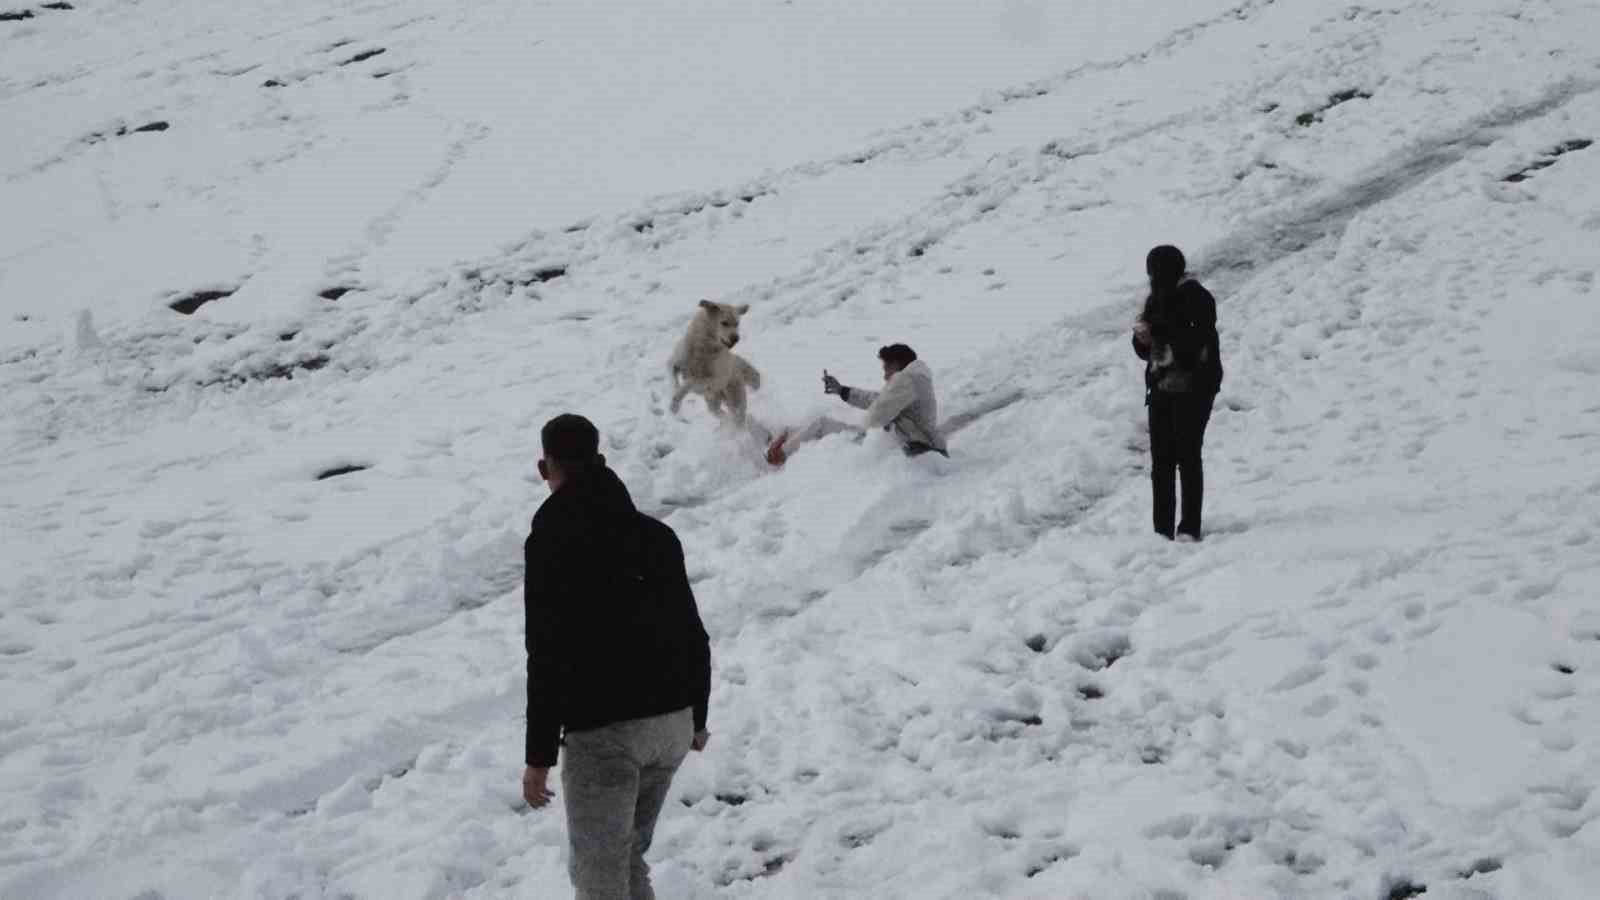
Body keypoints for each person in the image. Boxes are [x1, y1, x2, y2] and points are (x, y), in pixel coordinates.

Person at [522, 414, 712, 900]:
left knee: (598, 879)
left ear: (546, 468)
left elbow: (546, 652)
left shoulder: (550, 539)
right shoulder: (655, 535)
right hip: (671, 723)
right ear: (600, 461)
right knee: (626, 859)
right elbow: (693, 631)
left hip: (605, 734)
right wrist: (697, 715)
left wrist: (538, 757)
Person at [1132, 245, 1223, 542]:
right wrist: (1142, 338)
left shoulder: (1197, 298)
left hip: (1195, 388)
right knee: (1161, 461)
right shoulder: (1155, 300)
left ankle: (1189, 527)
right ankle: (1162, 529)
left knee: (1187, 455)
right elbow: (1145, 351)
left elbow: (1195, 341)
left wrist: (1156, 334)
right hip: (1161, 386)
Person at [764, 344, 948, 465]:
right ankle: (784, 442)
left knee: (822, 425)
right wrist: (842, 390)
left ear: (896, 364)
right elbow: (878, 400)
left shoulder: (906, 379)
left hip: (908, 447)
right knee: (821, 425)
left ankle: (780, 455)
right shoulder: (915, 379)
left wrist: (865, 437)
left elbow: (875, 416)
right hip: (907, 442)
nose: (884, 376)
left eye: (886, 369)